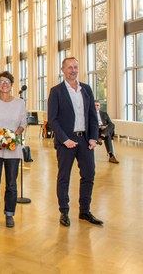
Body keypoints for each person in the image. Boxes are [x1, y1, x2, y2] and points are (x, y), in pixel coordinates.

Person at [48, 57, 103, 227]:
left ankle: (84, 211)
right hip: (66, 141)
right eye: (70, 67)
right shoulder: (56, 91)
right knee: (64, 177)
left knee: (89, 175)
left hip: (85, 140)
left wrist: (94, 137)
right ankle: (64, 212)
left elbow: (92, 116)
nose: (73, 70)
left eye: (76, 67)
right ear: (63, 70)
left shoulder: (85, 89)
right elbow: (53, 119)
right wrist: (65, 139)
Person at [0, 72, 26, 228]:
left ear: (12, 84)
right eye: (1, 81)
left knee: (11, 184)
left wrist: (12, 136)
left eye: (7, 81)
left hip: (13, 149)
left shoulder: (20, 103)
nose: (4, 84)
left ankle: (9, 214)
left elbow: (23, 123)